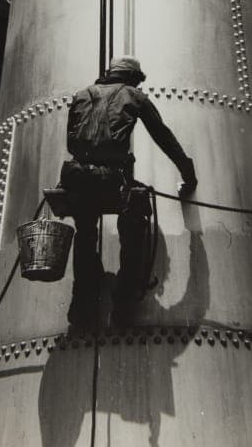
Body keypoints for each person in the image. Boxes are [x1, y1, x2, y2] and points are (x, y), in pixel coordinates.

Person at [60, 55, 198, 327]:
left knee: (85, 232)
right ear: (133, 78)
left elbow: (70, 142)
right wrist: (188, 173)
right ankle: (124, 297)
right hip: (111, 178)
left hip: (76, 178)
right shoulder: (135, 97)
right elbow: (163, 137)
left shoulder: (81, 95)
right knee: (134, 219)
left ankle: (83, 300)